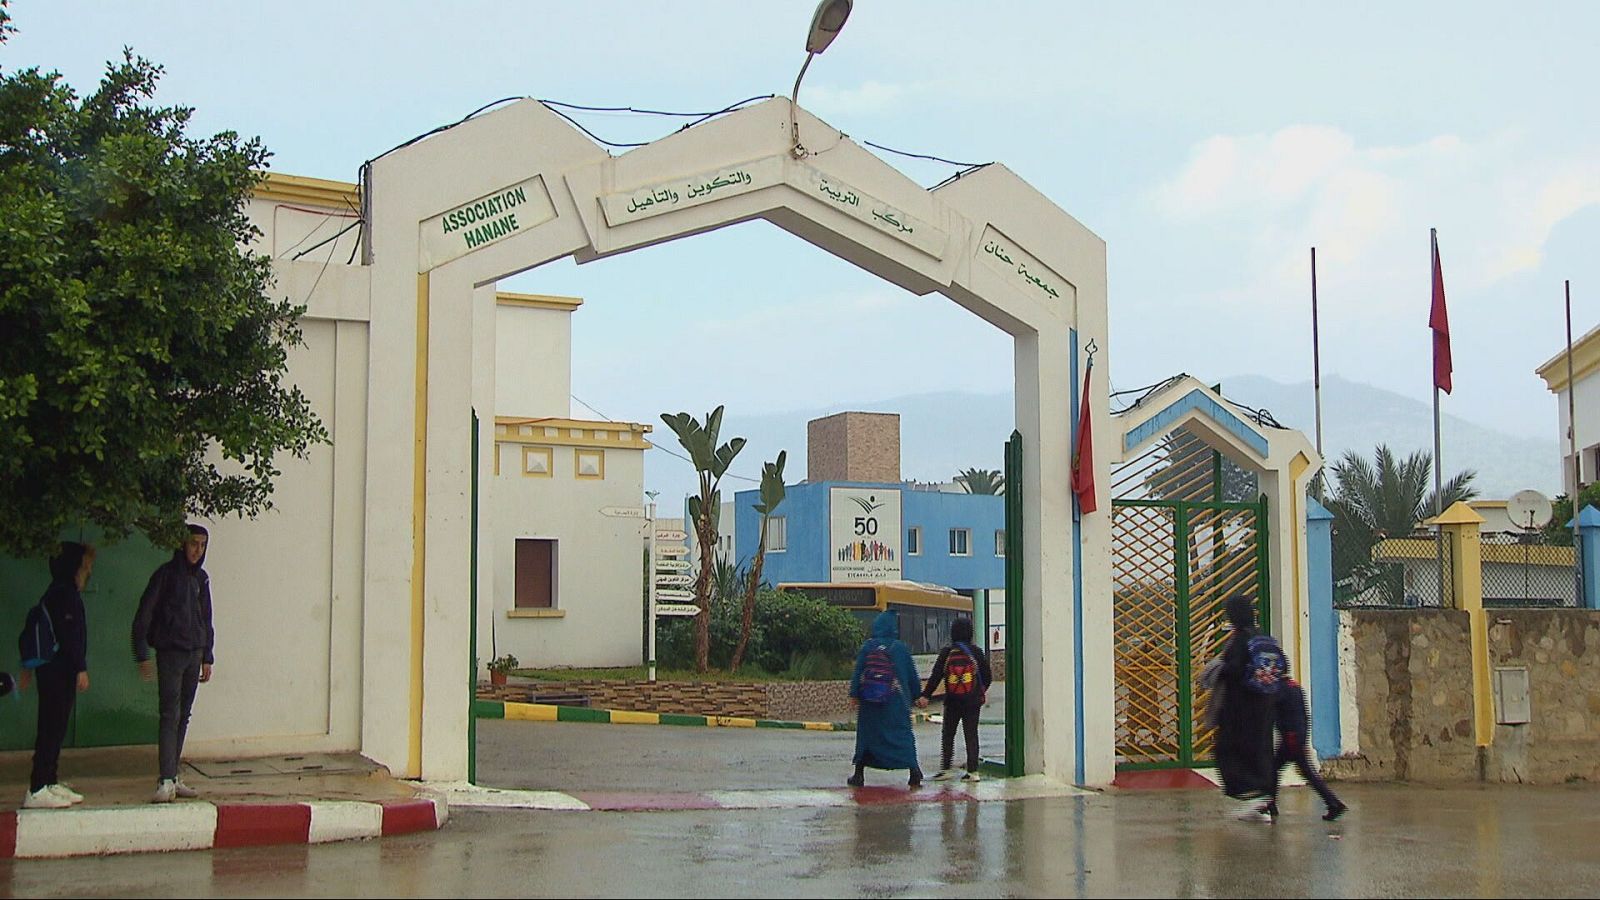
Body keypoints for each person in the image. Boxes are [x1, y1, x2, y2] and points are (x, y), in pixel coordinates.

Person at [131, 524, 215, 804]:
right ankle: (165, 779)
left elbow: (206, 618)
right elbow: (144, 614)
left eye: (202, 545)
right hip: (170, 653)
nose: (197, 550)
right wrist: (142, 653)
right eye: (193, 544)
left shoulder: (201, 579)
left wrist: (207, 655)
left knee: (184, 714)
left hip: (194, 653)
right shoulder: (166, 575)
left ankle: (173, 773)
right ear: (182, 544)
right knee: (169, 714)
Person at [21, 542, 95, 810]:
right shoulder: (64, 594)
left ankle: (49, 781)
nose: (88, 571)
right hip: (57, 671)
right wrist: (80, 667)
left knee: (57, 727)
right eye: (85, 566)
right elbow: (68, 636)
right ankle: (38, 787)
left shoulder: (61, 592)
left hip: (57, 670)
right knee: (51, 727)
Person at [1212, 595, 1278, 821]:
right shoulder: (1263, 637)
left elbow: (1234, 670)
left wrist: (1218, 668)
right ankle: (1264, 800)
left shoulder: (1240, 640)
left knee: (1226, 751)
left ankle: (1254, 796)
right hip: (1265, 705)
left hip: (1240, 708)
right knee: (1260, 751)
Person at [847, 610, 925, 788]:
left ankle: (859, 774)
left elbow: (858, 671)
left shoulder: (868, 647)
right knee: (902, 735)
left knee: (868, 737)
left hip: (870, 703)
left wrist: (854, 694)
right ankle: (914, 772)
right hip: (896, 702)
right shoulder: (900, 648)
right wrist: (917, 695)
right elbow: (912, 675)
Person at [1259, 676, 1348, 822]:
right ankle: (1271, 804)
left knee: (1288, 771)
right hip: (1296, 737)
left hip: (1290, 739)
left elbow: (1270, 711)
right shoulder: (1294, 687)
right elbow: (1303, 714)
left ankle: (1334, 804)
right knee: (1282, 770)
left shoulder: (1280, 689)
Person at [920, 617, 992, 782]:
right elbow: (987, 676)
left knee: (948, 734)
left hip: (952, 701)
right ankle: (973, 772)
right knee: (971, 734)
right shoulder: (976, 652)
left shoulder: (947, 652)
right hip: (972, 702)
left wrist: (926, 695)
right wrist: (979, 691)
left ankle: (946, 768)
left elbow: (936, 675)